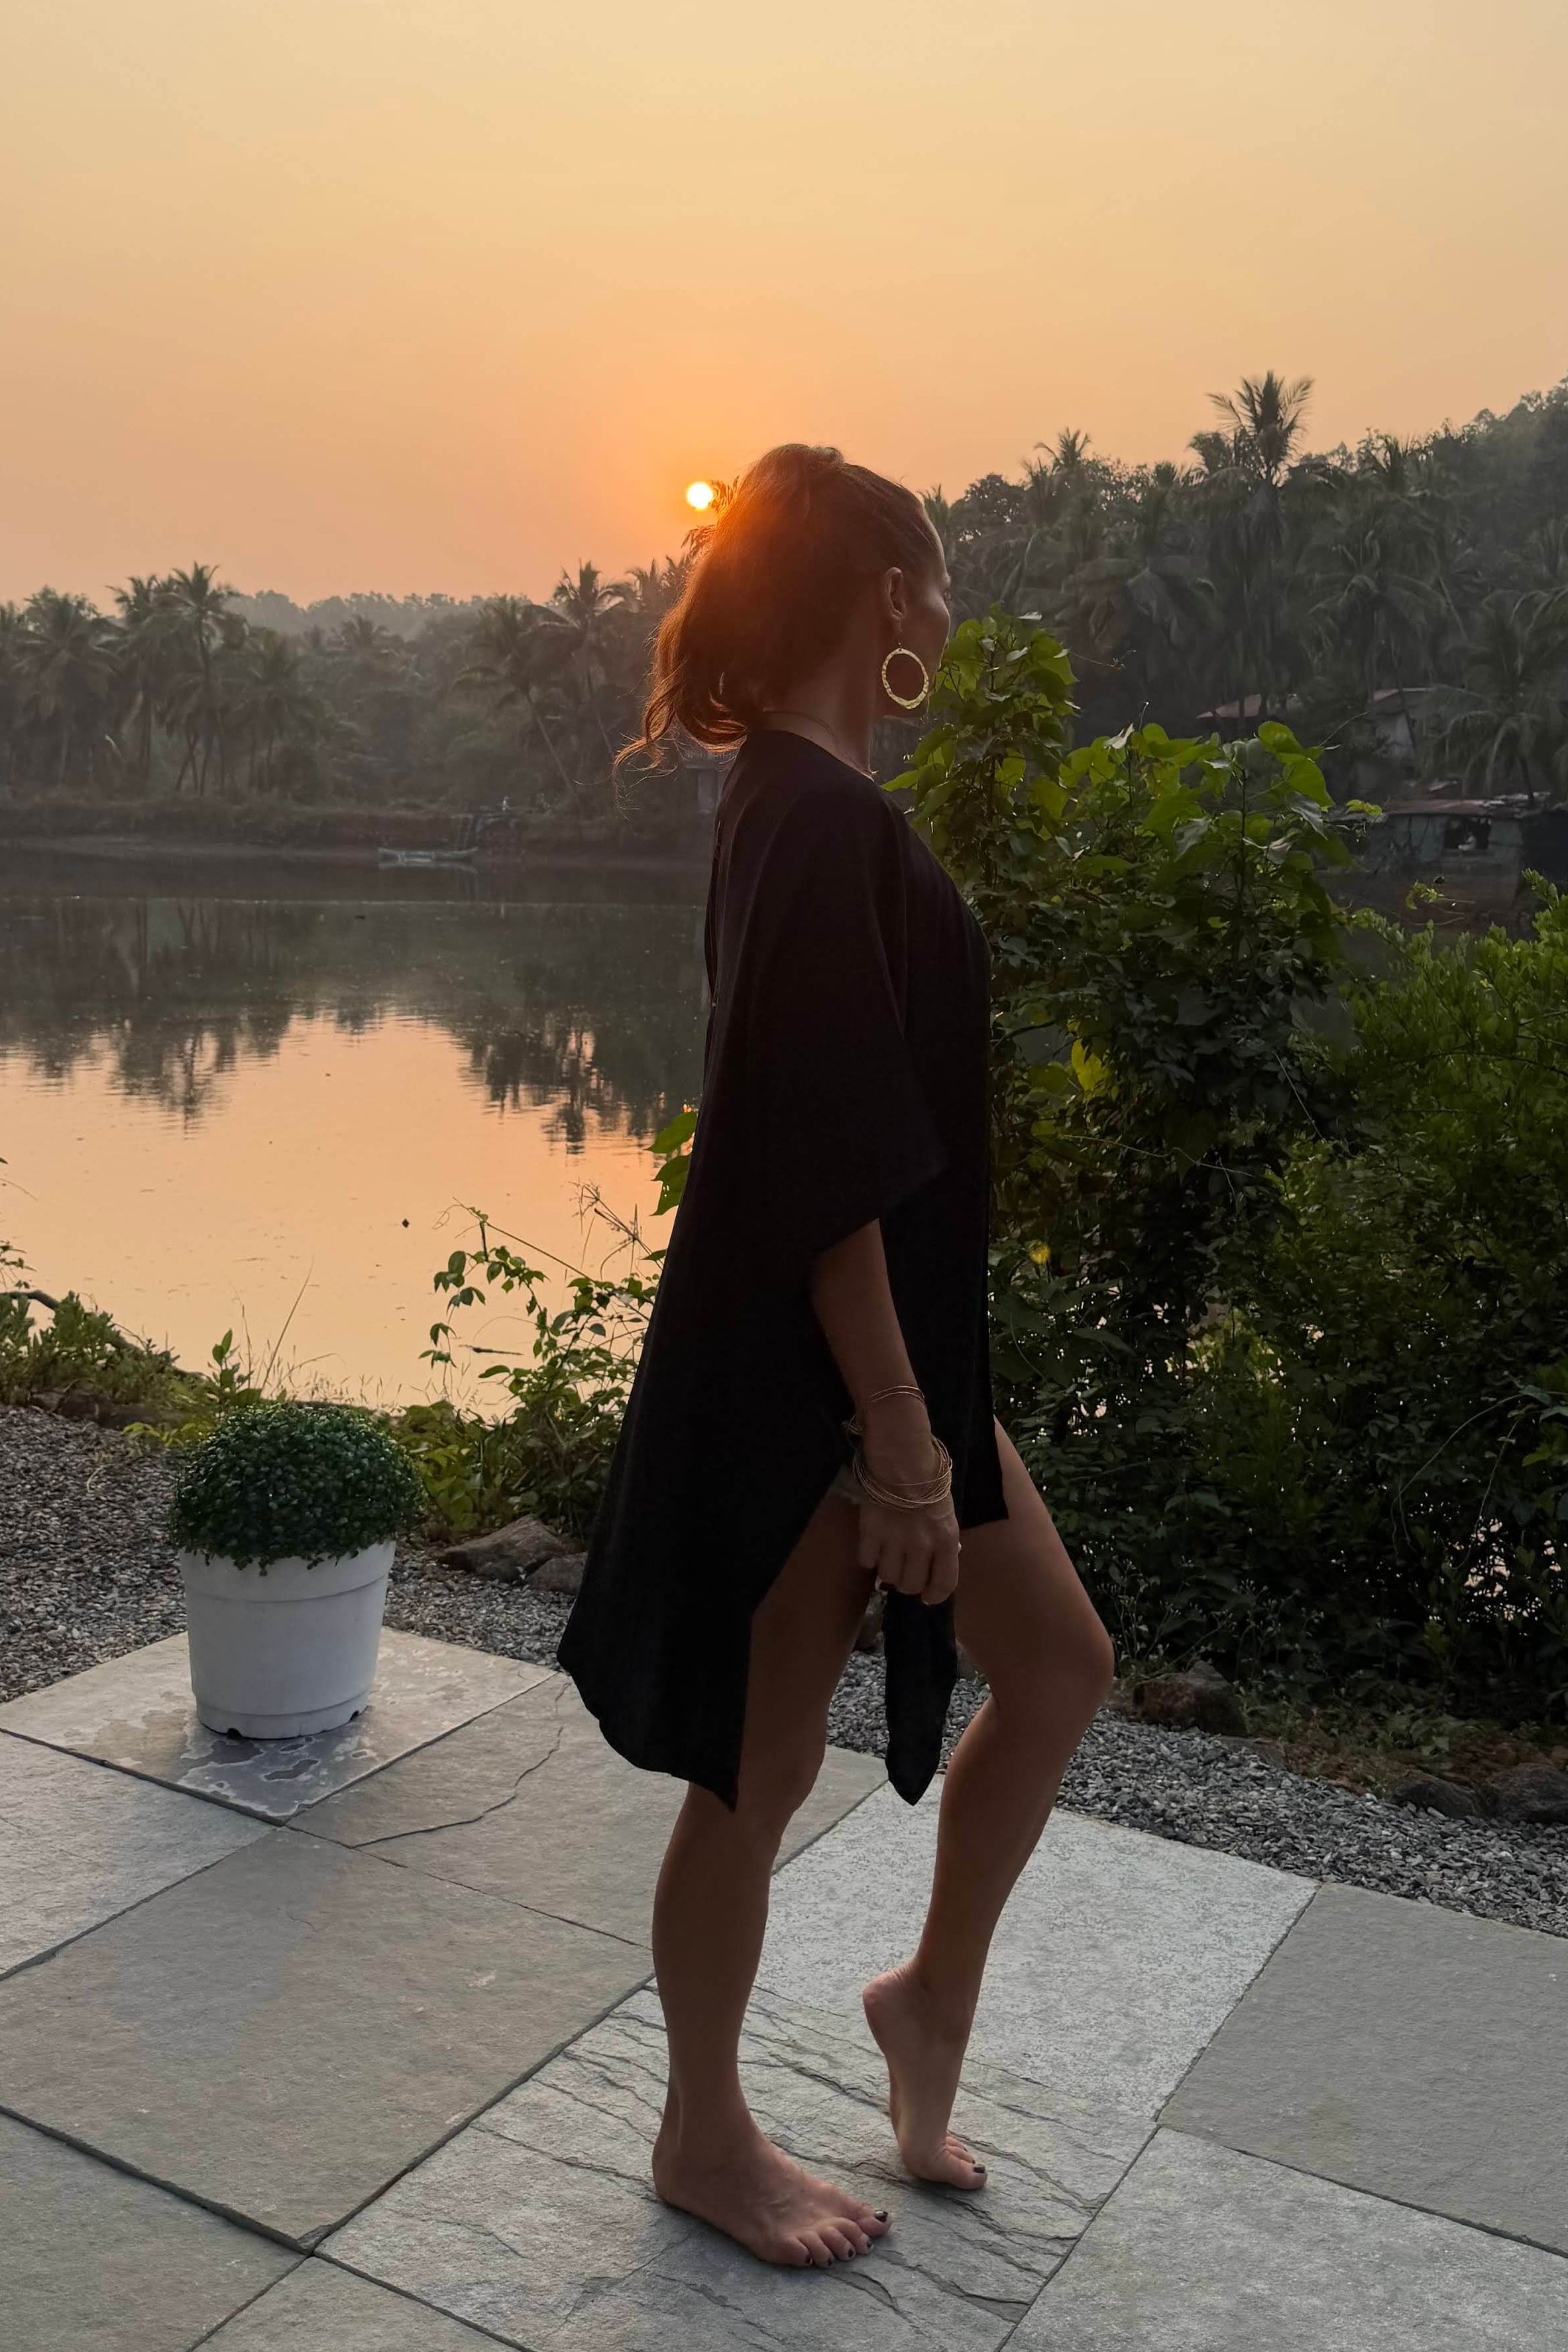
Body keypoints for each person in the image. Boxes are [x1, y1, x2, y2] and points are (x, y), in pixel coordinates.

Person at [558, 444, 1113, 2270]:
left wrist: (920, 1419)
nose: (950, 610)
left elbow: (851, 1135)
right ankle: (701, 2129)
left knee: (1059, 1664)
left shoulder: (808, 804)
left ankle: (925, 2000)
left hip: (894, 1373)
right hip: (812, 1382)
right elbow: (820, 1160)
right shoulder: (803, 810)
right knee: (758, 1764)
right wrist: (894, 1443)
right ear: (879, 592)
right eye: (937, 576)